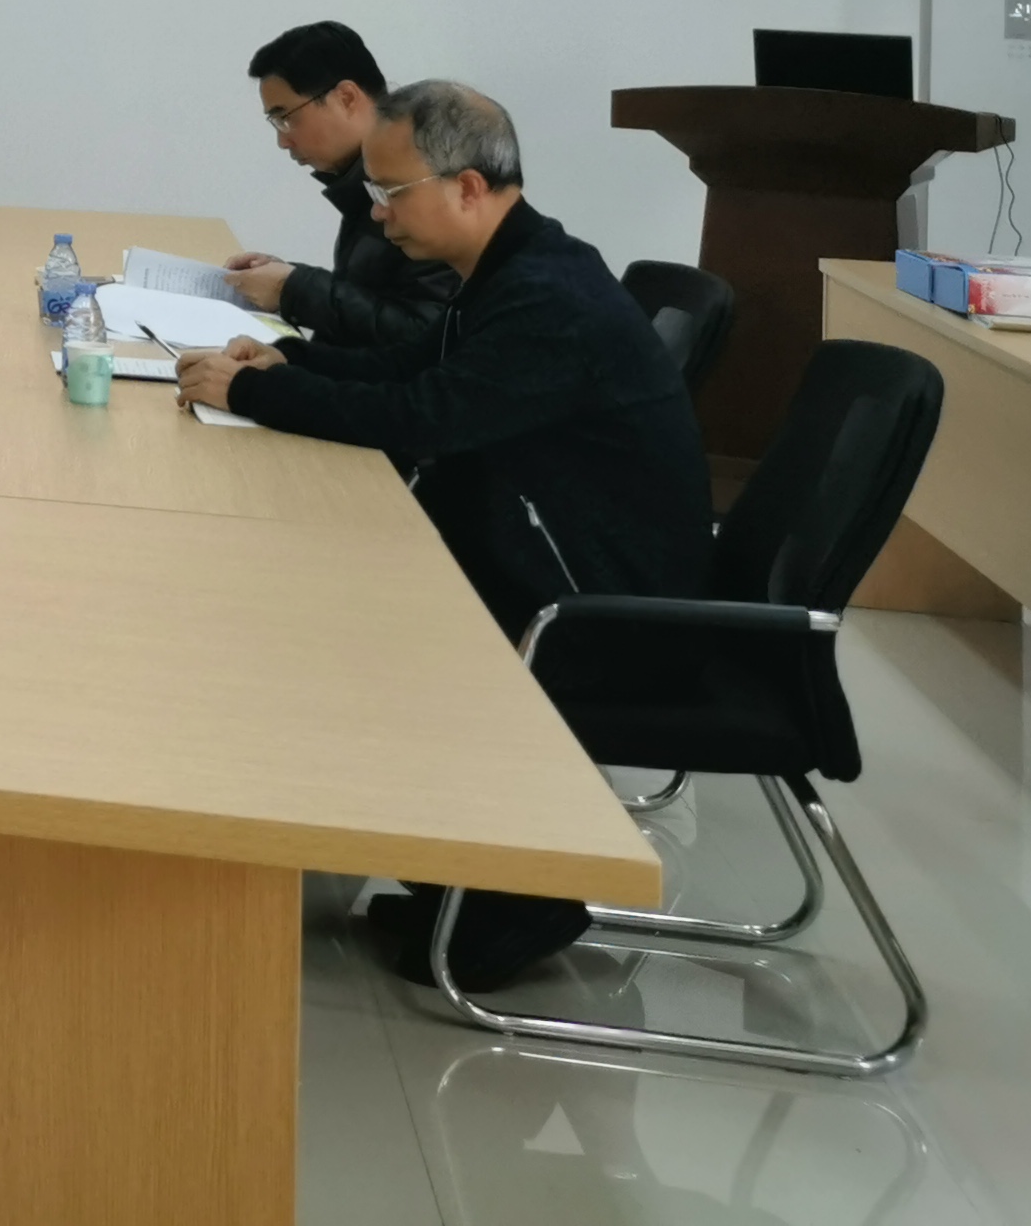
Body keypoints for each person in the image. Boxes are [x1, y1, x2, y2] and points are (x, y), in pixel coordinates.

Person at [175, 79, 709, 993]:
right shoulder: (516, 264)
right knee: (345, 590)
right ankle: (457, 871)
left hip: (599, 610)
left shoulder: (547, 296)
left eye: (392, 193)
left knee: (356, 620)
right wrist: (290, 359)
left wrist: (257, 392)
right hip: (564, 558)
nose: (379, 215)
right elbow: (410, 367)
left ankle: (524, 896)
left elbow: (425, 417)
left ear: (467, 187)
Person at [218, 21, 456, 351]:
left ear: (346, 98)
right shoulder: (364, 180)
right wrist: (286, 277)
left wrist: (295, 288)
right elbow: (375, 298)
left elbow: (425, 337)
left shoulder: (424, 182)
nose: (283, 141)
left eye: (286, 117)